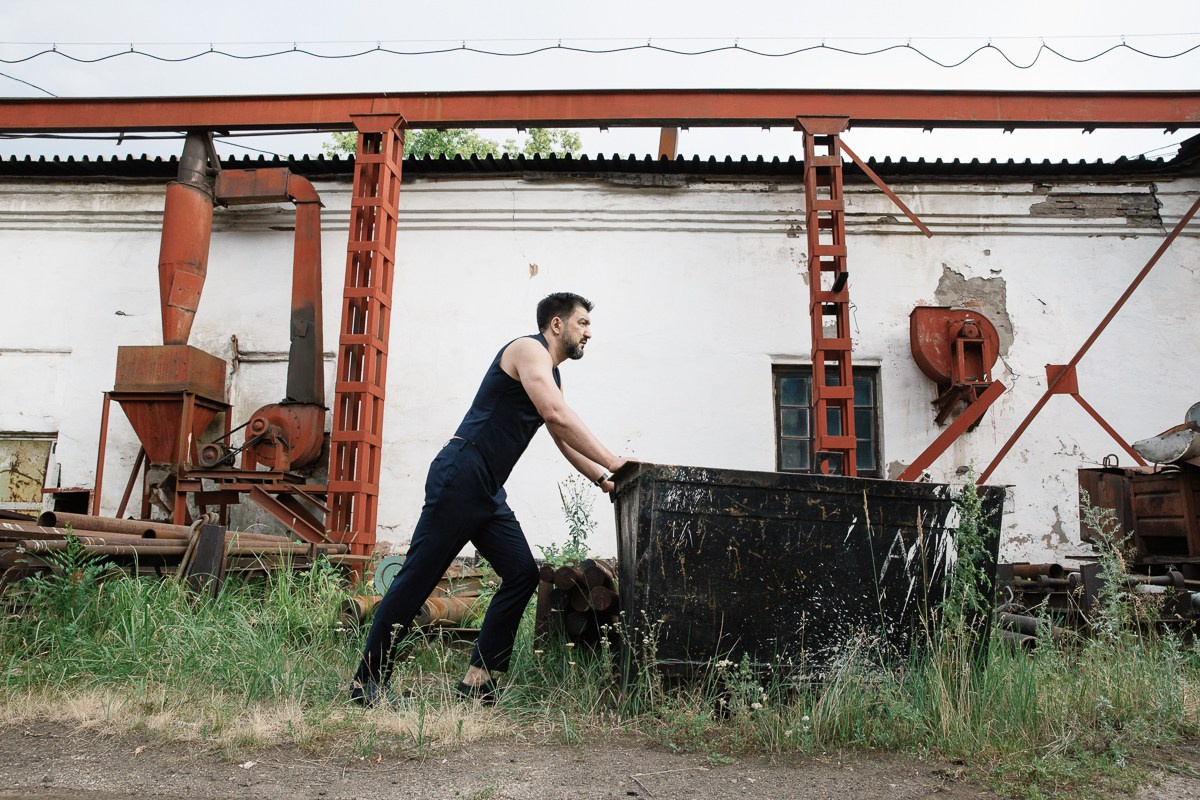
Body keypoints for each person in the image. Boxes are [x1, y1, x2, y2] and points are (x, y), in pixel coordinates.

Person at [349, 291, 632, 707]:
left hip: (486, 487)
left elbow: (560, 435)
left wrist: (603, 477)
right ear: (557, 324)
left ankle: (478, 680)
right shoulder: (526, 350)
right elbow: (556, 416)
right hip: (462, 472)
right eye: (583, 323)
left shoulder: (551, 376)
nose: (589, 332)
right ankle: (365, 683)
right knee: (418, 579)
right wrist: (615, 459)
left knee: (520, 573)